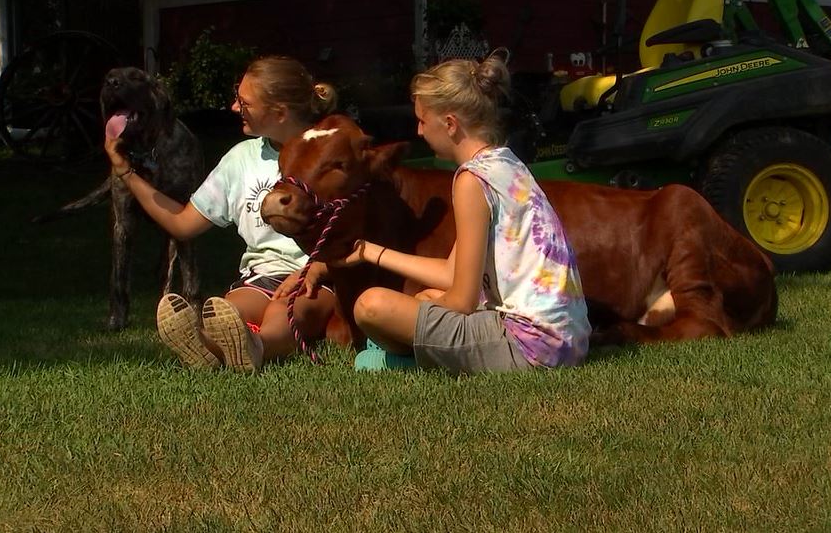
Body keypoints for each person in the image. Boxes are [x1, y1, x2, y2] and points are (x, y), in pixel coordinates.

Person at [333, 49, 591, 374]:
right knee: (423, 297)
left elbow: (462, 301)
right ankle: (411, 351)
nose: (419, 131)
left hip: (530, 346)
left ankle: (404, 363)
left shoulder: (471, 180)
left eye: (423, 120)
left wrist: (414, 311)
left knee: (371, 305)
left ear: (450, 124)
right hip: (564, 341)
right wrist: (369, 252)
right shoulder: (505, 163)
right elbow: (451, 273)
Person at [105, 56, 337, 372]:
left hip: (318, 278)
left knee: (283, 310)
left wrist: (316, 268)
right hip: (261, 276)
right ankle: (204, 345)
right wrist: (126, 172)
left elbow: (361, 230)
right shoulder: (240, 159)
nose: (234, 107)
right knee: (227, 310)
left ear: (279, 113)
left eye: (245, 103)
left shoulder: (331, 152)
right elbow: (182, 224)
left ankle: (258, 346)